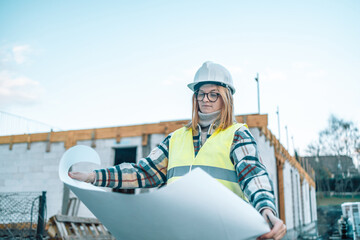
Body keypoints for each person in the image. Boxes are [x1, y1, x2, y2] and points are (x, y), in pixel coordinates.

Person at [69, 61, 287, 239]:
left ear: (226, 98)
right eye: (201, 94)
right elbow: (142, 172)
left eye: (213, 94)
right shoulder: (176, 138)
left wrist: (266, 210)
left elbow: (254, 175)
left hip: (223, 233)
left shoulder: (237, 134)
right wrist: (92, 177)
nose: (205, 100)